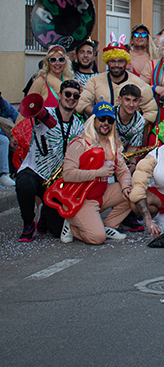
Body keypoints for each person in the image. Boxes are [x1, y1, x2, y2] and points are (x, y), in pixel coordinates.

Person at [14, 83, 84, 241]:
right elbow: (32, 115)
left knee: (57, 230)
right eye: (67, 94)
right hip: (34, 171)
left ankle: (45, 213)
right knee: (24, 183)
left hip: (56, 180)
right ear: (59, 95)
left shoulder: (79, 126)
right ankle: (28, 223)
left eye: (75, 96)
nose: (71, 98)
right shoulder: (47, 114)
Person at [58, 103, 133, 245]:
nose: (106, 123)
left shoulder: (112, 145)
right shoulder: (80, 143)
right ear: (94, 120)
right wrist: (97, 173)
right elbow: (67, 174)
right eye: (102, 119)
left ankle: (108, 225)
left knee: (134, 193)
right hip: (80, 199)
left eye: (110, 120)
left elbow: (123, 171)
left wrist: (125, 187)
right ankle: (73, 224)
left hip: (101, 194)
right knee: (97, 238)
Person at [78, 36, 157, 124]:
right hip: (102, 133)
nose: (116, 65)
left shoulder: (139, 84)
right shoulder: (95, 81)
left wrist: (135, 127)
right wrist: (100, 115)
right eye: (112, 61)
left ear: (126, 62)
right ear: (107, 61)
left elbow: (151, 111)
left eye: (120, 61)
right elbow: (82, 102)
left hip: (129, 135)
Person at [113, 84, 147, 161]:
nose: (131, 104)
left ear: (139, 101)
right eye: (127, 100)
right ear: (120, 99)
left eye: (135, 100)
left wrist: (131, 163)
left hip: (123, 157)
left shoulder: (140, 121)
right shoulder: (110, 115)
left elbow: (132, 149)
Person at [0, 93, 17, 187]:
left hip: (5, 134)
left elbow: (16, 115)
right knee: (4, 141)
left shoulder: (2, 103)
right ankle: (3, 175)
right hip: (3, 136)